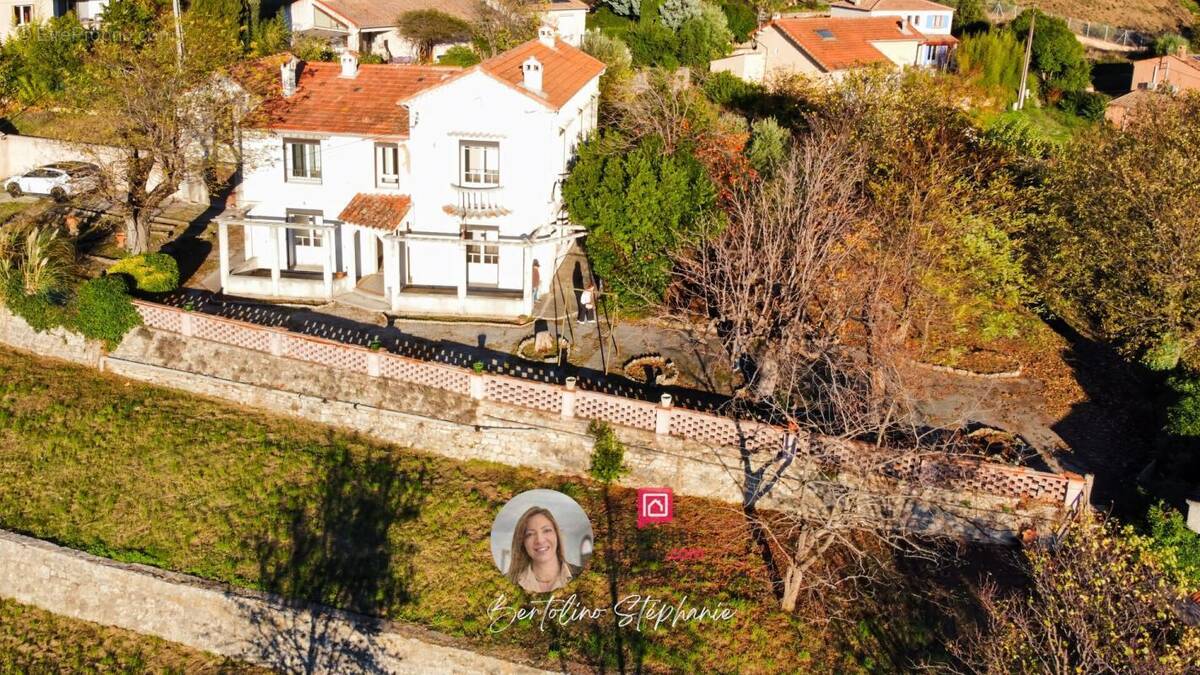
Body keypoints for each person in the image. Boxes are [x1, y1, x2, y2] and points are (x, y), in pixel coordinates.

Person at [506, 506, 581, 593]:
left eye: (546, 530)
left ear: (557, 535)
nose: (540, 540)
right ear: (522, 543)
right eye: (530, 534)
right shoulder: (507, 582)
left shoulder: (582, 575)